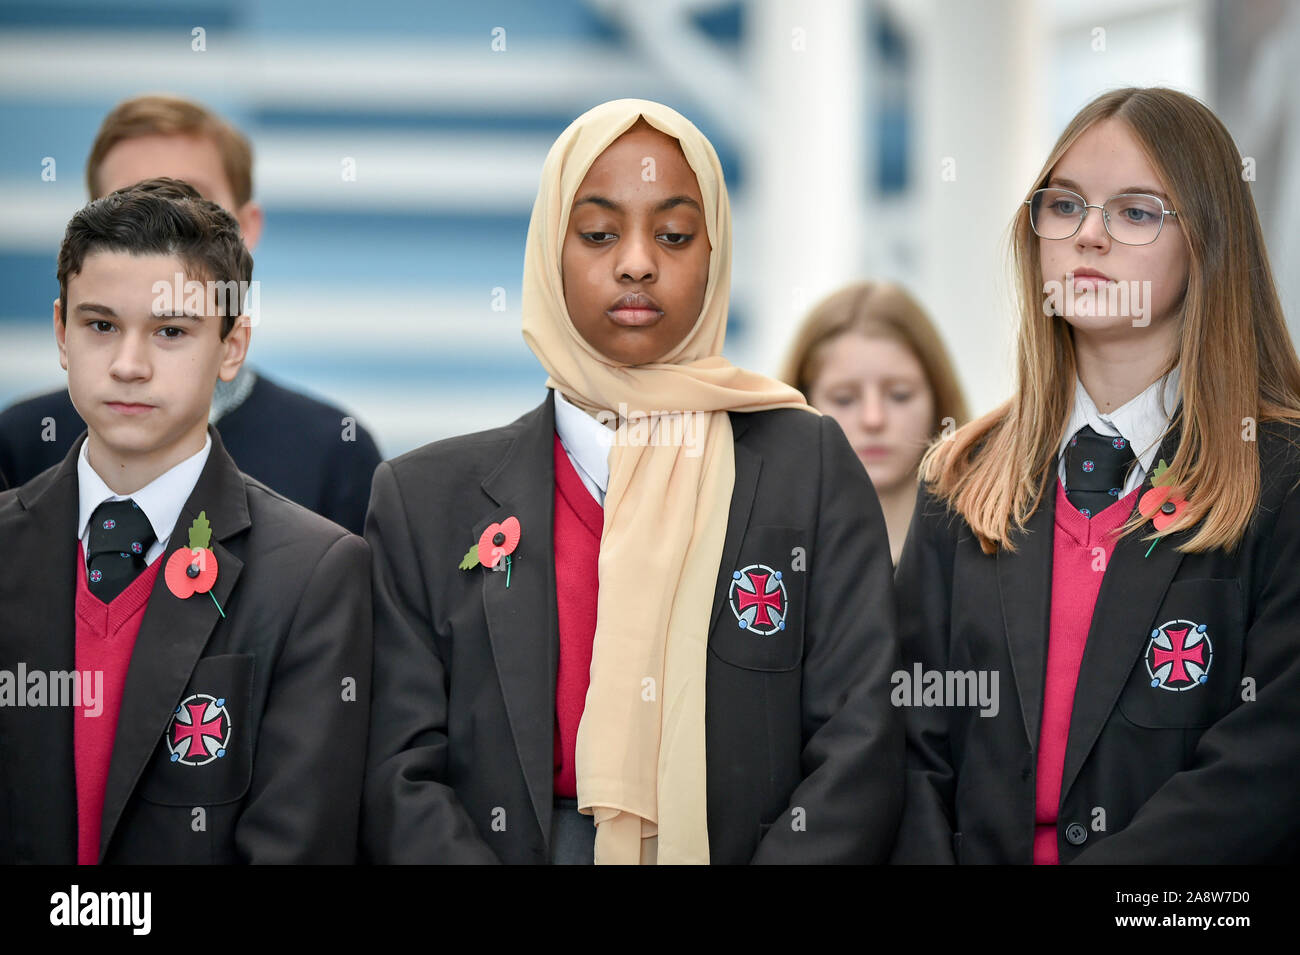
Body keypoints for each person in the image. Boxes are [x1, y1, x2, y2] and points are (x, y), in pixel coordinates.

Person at [362, 99, 902, 864]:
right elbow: (397, 773)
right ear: (551, 252)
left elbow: (862, 740)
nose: (638, 261)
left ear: (714, 256)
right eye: (599, 233)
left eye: (675, 234)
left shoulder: (805, 463)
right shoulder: (425, 500)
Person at [891, 87, 1300, 864]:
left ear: (1208, 242)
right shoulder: (962, 478)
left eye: (1136, 212)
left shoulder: (1282, 480)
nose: (1089, 237)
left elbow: (1268, 766)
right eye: (1066, 205)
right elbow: (915, 742)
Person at [0, 179, 371, 863]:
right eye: (100, 325)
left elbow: (298, 845)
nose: (129, 364)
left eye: (171, 331)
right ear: (60, 331)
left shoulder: (313, 575)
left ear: (232, 347)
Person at [0, 94, 382, 534]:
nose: (157, 231)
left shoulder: (334, 452)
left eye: (192, 208)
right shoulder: (21, 442)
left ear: (246, 227)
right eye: (127, 207)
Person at [781, 281, 969, 565]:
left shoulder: (982, 545)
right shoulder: (771, 549)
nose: (873, 419)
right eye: (844, 399)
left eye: (899, 395)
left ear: (938, 398)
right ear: (803, 402)